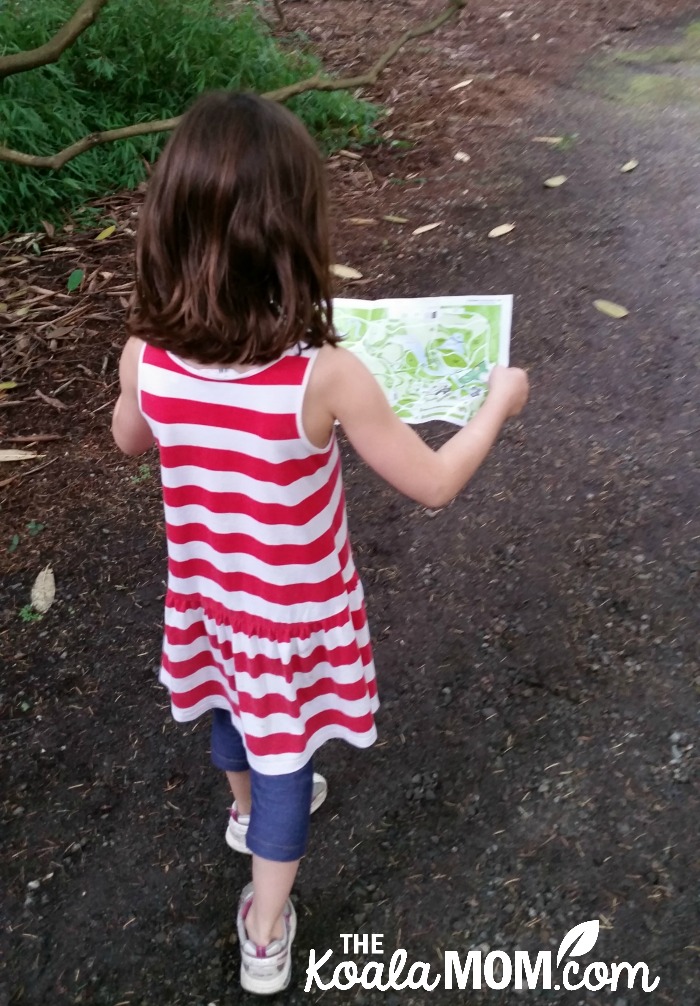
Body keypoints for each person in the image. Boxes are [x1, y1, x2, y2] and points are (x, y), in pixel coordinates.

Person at [112, 90, 529, 996]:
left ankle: (244, 813)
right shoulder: (327, 377)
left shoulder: (146, 352)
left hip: (210, 598)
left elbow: (129, 439)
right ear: (293, 231)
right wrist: (496, 401)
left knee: (230, 711)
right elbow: (433, 482)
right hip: (289, 614)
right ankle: (266, 926)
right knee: (287, 752)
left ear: (170, 224)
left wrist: (143, 388)